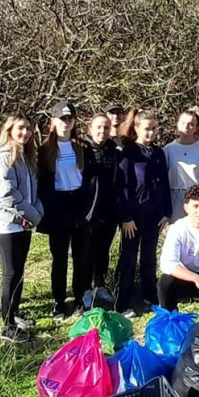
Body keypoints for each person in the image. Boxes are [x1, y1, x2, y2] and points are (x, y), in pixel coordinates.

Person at [0, 114, 44, 342]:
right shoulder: (3, 158)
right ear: (9, 130)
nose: (25, 133)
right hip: (7, 226)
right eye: (20, 128)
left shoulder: (26, 158)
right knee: (10, 274)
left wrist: (35, 215)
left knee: (19, 272)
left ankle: (14, 313)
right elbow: (6, 195)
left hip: (24, 224)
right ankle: (6, 326)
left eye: (28, 129)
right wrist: (26, 217)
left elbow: (32, 193)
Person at [115, 110, 172, 315]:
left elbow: (164, 182)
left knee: (149, 255)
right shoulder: (129, 152)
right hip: (134, 215)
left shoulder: (158, 152)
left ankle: (149, 294)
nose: (151, 133)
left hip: (155, 214)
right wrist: (126, 217)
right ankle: (123, 301)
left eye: (154, 128)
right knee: (129, 256)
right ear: (137, 128)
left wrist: (167, 212)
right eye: (147, 129)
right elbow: (123, 186)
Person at [36, 101, 88, 318]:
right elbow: (43, 183)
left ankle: (80, 298)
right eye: (61, 119)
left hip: (79, 204)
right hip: (57, 205)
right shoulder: (45, 149)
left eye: (70, 119)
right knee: (59, 257)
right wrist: (50, 211)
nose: (66, 123)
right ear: (53, 121)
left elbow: (89, 179)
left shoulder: (82, 147)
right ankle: (58, 301)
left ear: (74, 121)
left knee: (81, 256)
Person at [78, 113, 121, 308]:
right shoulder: (81, 149)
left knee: (103, 252)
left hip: (109, 211)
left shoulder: (114, 150)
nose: (102, 131)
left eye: (106, 127)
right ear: (90, 129)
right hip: (87, 212)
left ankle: (100, 285)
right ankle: (84, 290)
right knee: (86, 252)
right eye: (98, 127)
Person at [163, 108, 199, 215]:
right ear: (177, 124)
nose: (186, 127)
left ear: (196, 128)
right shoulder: (168, 149)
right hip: (175, 203)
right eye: (183, 123)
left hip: (198, 202)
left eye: (191, 124)